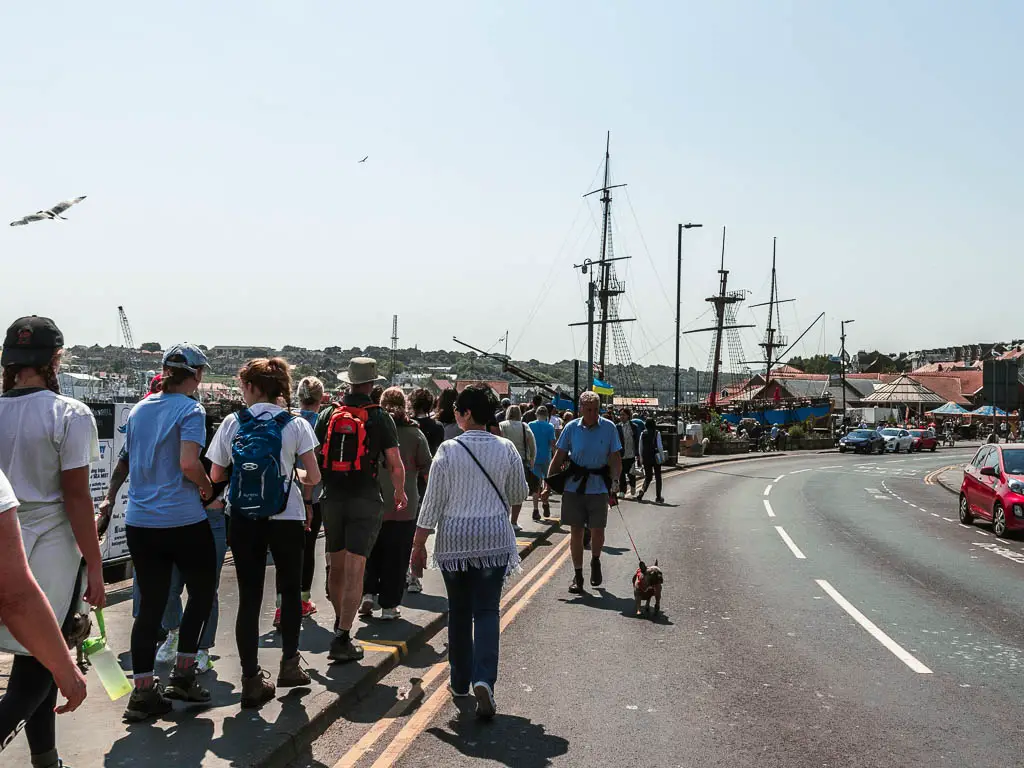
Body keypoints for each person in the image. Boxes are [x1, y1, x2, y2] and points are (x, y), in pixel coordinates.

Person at [0, 317, 101, 765]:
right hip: (52, 545)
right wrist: (96, 567)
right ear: (55, 360)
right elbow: (78, 499)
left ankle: (47, 759)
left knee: (32, 654)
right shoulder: (70, 414)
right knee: (45, 657)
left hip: (5, 533)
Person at [207, 358, 320, 708]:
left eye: (243, 386)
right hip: (287, 518)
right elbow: (314, 477)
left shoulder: (232, 422)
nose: (242, 392)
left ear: (254, 387)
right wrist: (294, 478)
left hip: (244, 518)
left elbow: (215, 476)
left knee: (249, 596)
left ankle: (251, 679)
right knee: (288, 592)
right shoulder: (296, 424)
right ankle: (289, 666)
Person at [410, 384, 528, 720]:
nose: (456, 416)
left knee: (459, 611)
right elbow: (519, 491)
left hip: (454, 543)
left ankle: (460, 681)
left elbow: (431, 504)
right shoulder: (506, 449)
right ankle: (484, 680)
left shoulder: (448, 450)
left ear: (467, 414)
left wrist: (417, 547)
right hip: (492, 539)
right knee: (487, 611)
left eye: (458, 411)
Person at [120, 343, 218, 722]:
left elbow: (128, 461)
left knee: (151, 606)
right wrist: (207, 489)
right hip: (182, 520)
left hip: (140, 522)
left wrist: (110, 498)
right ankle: (183, 675)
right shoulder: (191, 409)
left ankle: (142, 692)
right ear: (195, 375)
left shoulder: (141, 408)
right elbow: (188, 463)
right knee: (202, 591)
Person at [315, 358, 406, 662]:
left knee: (336, 566)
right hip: (365, 499)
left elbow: (314, 458)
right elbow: (395, 464)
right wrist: (400, 491)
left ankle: (338, 627)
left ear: (348, 382)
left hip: (332, 498)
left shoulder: (328, 414)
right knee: (356, 569)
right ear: (372, 385)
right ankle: (343, 635)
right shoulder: (380, 418)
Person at [0, 468, 89, 726]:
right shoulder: (73, 424)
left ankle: (47, 760)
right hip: (53, 548)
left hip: (34, 546)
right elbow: (14, 597)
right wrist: (66, 669)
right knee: (34, 681)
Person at [361, 388, 431, 620]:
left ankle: (368, 594)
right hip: (404, 503)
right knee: (397, 556)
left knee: (371, 551)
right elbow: (426, 468)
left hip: (372, 500)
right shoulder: (415, 433)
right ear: (405, 405)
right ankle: (389, 607)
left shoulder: (369, 428)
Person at [547, 391, 621, 593]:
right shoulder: (571, 428)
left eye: (596, 410)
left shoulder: (609, 427)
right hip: (574, 486)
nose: (593, 414)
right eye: (589, 410)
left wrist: (615, 480)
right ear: (580, 409)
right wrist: (548, 484)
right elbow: (559, 456)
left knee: (598, 529)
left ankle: (595, 560)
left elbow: (615, 457)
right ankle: (578, 575)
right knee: (576, 532)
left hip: (598, 487)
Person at [499, 405, 537, 532]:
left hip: (504, 460)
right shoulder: (524, 426)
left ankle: (504, 519)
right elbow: (532, 444)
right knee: (518, 492)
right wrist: (532, 459)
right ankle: (514, 522)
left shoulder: (502, 425)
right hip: (520, 461)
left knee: (503, 491)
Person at [528, 406, 557, 520]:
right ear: (546, 415)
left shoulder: (530, 425)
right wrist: (556, 457)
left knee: (535, 484)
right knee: (547, 481)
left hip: (534, 457)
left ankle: (535, 510)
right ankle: (545, 502)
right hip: (546, 457)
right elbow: (553, 443)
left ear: (536, 414)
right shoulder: (550, 427)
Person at [636, 418, 664, 503]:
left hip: (646, 457)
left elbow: (640, 446)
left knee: (648, 477)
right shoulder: (657, 433)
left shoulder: (643, 433)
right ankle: (658, 497)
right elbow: (660, 446)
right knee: (658, 477)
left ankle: (642, 491)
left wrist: (641, 457)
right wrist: (662, 457)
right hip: (655, 457)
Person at [615, 409, 641, 498]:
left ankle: (633, 485)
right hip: (621, 454)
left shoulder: (634, 426)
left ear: (628, 416)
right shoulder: (617, 427)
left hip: (631, 453)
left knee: (631, 473)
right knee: (621, 473)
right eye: (620, 415)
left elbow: (637, 440)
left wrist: (638, 453)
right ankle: (622, 491)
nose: (621, 416)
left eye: (623, 415)